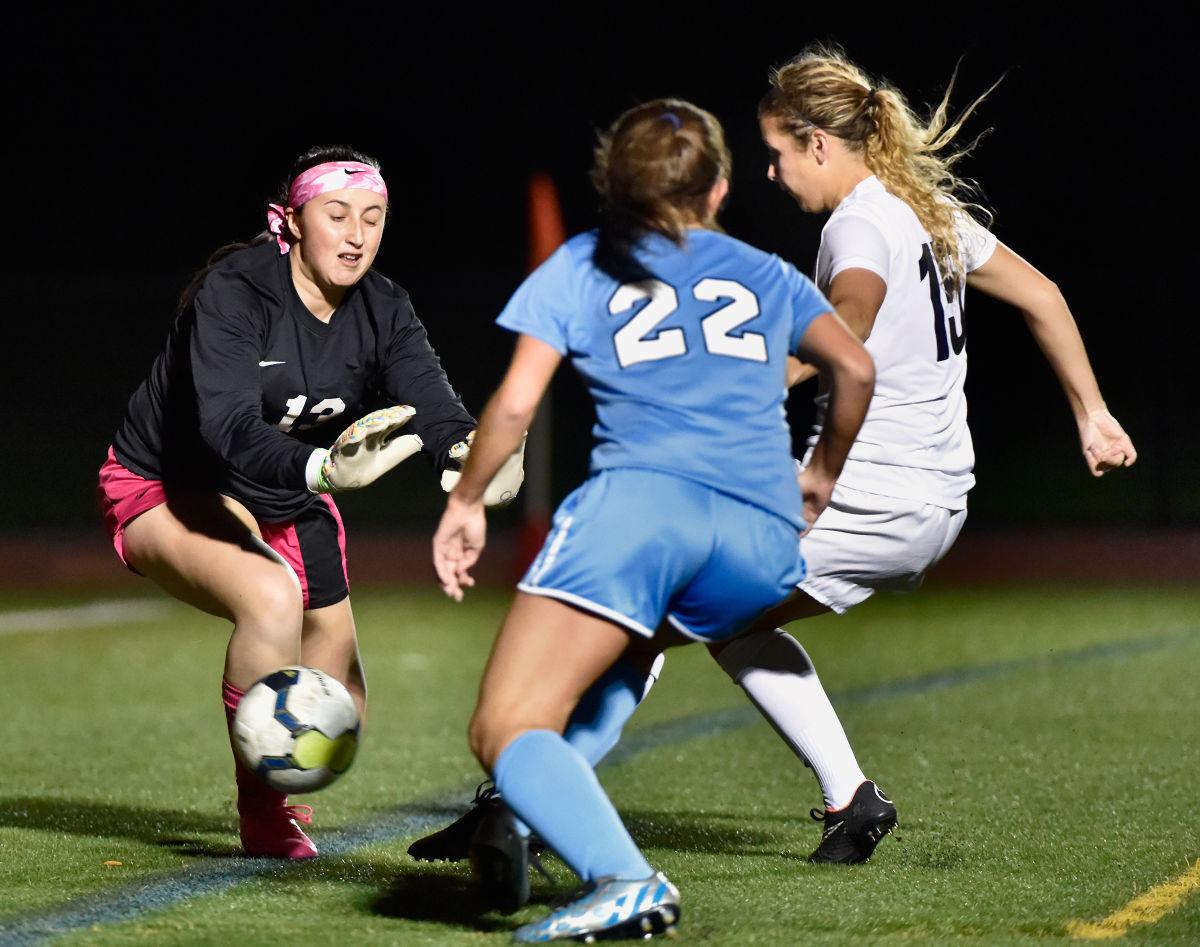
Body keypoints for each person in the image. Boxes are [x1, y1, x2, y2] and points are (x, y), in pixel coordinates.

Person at [411, 45, 1139, 881]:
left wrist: (761, 374)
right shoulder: (925, 207)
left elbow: (853, 319)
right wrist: (1093, 411)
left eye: (780, 153)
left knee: (642, 617)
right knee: (723, 619)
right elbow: (1044, 295)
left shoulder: (859, 223)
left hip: (867, 493)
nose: (772, 171)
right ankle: (849, 795)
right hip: (934, 497)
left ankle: (520, 804)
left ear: (819, 144)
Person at [430, 99, 874, 943]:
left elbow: (517, 401)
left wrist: (463, 502)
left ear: (613, 190)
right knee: (629, 646)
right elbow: (852, 365)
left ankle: (624, 876)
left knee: (503, 724)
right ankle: (530, 822)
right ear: (718, 191)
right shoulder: (765, 269)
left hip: (641, 513)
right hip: (759, 537)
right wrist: (818, 474)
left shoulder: (582, 265)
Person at [97, 145, 522, 860]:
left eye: (374, 217)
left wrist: (473, 458)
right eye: (337, 214)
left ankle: (280, 777)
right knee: (271, 596)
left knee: (341, 713)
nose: (357, 234)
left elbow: (437, 411)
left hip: (286, 492)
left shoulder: (384, 306)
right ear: (289, 222)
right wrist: (322, 466)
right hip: (169, 483)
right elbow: (226, 429)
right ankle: (264, 817)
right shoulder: (236, 290)